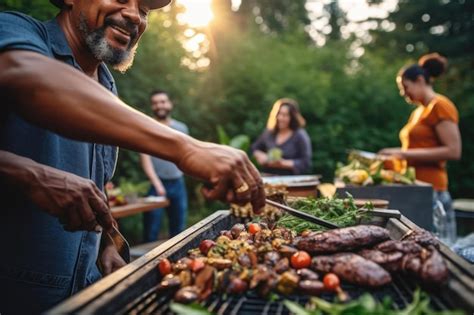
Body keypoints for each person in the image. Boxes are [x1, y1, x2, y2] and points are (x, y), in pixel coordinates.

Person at [0, 1, 264, 313]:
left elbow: (93, 186)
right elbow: (28, 76)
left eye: (145, 10)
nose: (133, 15)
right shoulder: (14, 31)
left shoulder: (108, 89)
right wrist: (187, 148)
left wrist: (106, 243)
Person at [379, 53, 462, 213]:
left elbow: (453, 151)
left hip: (432, 191)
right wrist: (394, 154)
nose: (403, 93)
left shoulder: (440, 106)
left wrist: (403, 154)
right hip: (414, 188)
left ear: (420, 80)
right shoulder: (419, 112)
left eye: (405, 87)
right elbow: (416, 148)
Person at [140, 89, 189, 241]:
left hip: (178, 183)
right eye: (155, 103)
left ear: (169, 104)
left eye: (162, 101)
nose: (159, 105)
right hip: (157, 185)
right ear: (151, 106)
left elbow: (186, 155)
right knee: (151, 231)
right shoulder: (147, 126)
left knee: (178, 229)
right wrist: (157, 184)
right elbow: (145, 158)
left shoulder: (181, 128)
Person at [252, 98, 312, 175]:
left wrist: (282, 163)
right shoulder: (269, 132)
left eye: (285, 115)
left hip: (291, 180)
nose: (280, 118)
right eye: (279, 114)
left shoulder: (300, 135)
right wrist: (261, 156)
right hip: (268, 178)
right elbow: (255, 148)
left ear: (292, 117)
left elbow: (306, 163)